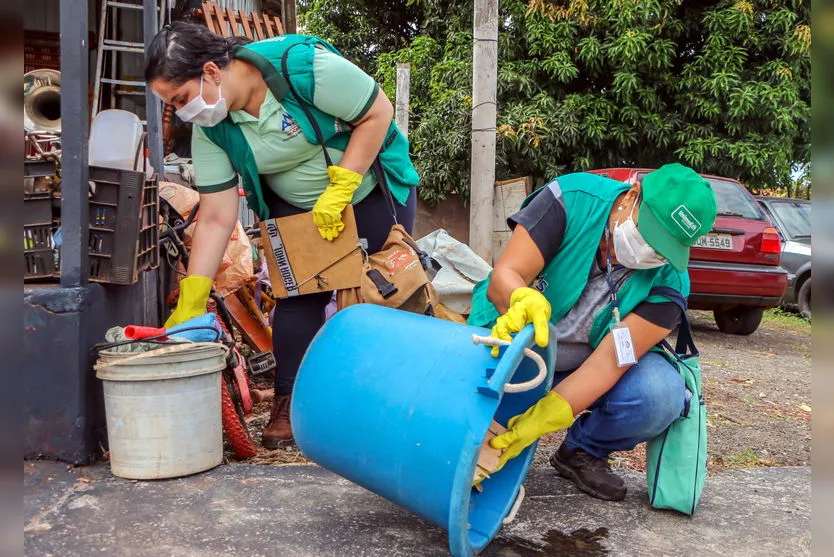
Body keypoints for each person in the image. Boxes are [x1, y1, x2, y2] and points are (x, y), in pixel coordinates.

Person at [145, 22, 419, 448]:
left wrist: (343, 186)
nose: (183, 113)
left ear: (213, 72)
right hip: (294, 205)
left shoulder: (301, 67)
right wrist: (194, 295)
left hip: (367, 188)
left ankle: (387, 401)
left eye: (181, 99)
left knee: (382, 290)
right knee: (297, 297)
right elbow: (217, 215)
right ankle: (291, 402)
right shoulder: (212, 127)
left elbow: (377, 112)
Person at [468, 164, 717, 501]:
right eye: (650, 235)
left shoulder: (670, 283)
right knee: (465, 423)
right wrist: (520, 297)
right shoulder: (572, 199)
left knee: (660, 394)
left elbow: (609, 363)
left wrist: (545, 417)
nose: (649, 253)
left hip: (585, 365)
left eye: (664, 249)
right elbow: (506, 274)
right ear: (631, 197)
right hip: (514, 347)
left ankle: (582, 450)